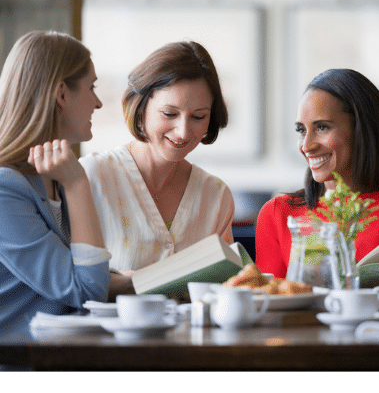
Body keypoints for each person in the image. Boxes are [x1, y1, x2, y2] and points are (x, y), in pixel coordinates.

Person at [255, 68, 379, 278]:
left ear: (362, 130)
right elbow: (267, 304)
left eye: (321, 127)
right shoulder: (277, 214)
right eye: (301, 130)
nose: (306, 146)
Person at [79, 41, 235, 277]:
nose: (183, 131)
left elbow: (226, 286)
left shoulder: (215, 195)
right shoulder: (92, 176)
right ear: (141, 107)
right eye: (169, 114)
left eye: (198, 116)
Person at [0, 31, 111, 336]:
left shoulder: (50, 176)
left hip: (59, 357)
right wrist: (78, 185)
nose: (98, 102)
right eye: (92, 87)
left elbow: (80, 278)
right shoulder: (5, 189)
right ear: (62, 94)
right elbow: (87, 291)